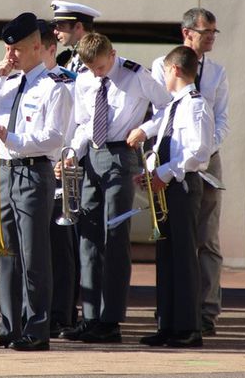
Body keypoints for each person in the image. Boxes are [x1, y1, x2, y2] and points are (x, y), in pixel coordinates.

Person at [62, 33, 171, 343]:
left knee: (115, 236)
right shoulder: (83, 78)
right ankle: (91, 315)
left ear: (112, 55)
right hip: (93, 156)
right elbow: (83, 121)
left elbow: (167, 107)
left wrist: (145, 128)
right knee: (88, 236)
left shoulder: (136, 75)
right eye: (91, 67)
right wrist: (72, 152)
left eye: (100, 66)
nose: (97, 73)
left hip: (122, 154)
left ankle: (111, 320)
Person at [0, 12, 72, 351]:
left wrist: (13, 138)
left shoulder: (54, 87)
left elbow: (54, 137)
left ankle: (36, 328)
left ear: (36, 47)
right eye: (8, 50)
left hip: (33, 172)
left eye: (16, 50)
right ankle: (7, 325)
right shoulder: (8, 83)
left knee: (33, 255)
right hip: (4, 171)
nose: (10, 56)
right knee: (4, 252)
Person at [151, 7, 229, 336]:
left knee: (205, 239)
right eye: (205, 31)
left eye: (214, 31)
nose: (211, 36)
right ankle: (172, 314)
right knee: (171, 243)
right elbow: (161, 113)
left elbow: (220, 120)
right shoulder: (163, 65)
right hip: (172, 159)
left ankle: (203, 313)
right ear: (187, 33)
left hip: (200, 160)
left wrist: (206, 149)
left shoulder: (215, 74)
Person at [129, 45, 213, 348]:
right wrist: (150, 170)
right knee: (165, 257)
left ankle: (189, 327)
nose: (161, 76)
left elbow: (198, 152)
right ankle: (167, 323)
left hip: (183, 185)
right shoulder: (171, 106)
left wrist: (164, 173)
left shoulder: (196, 104)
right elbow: (164, 145)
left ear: (175, 69)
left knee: (183, 256)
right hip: (167, 184)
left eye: (163, 70)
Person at [37, 19, 80, 337]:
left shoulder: (71, 81)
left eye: (35, 48)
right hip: (33, 168)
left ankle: (62, 312)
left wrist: (68, 154)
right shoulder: (23, 81)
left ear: (51, 49)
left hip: (60, 167)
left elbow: (80, 123)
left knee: (59, 244)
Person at [50, 0, 101, 73]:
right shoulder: (68, 58)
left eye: (61, 26)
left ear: (78, 26)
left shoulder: (97, 56)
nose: (55, 32)